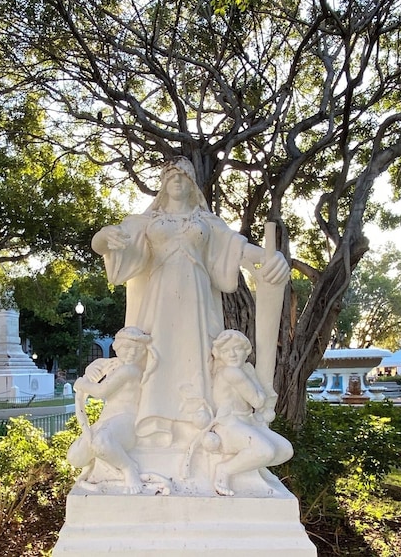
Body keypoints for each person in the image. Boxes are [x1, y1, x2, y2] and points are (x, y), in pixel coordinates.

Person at [91, 157, 288, 447]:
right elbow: (105, 244)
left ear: (192, 183)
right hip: (158, 301)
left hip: (197, 300)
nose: (178, 181)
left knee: (197, 354)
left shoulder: (206, 222)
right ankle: (155, 425)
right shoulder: (148, 221)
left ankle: (200, 424)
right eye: (171, 176)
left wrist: (271, 259)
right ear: (163, 184)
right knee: (159, 356)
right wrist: (103, 237)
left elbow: (237, 247)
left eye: (184, 176)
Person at [67, 326, 155, 493]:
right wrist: (90, 368)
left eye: (137, 350)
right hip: (107, 421)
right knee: (75, 457)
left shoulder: (130, 370)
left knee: (100, 441)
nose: (131, 354)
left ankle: (128, 468)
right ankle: (102, 463)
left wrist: (81, 383)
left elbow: (101, 391)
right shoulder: (116, 365)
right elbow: (101, 368)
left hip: (127, 422)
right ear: (117, 349)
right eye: (127, 349)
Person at [204, 330, 293, 496]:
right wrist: (252, 375)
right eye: (225, 350)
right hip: (229, 426)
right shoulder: (232, 372)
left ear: (246, 351)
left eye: (237, 348)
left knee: (285, 450)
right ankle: (224, 470)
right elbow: (258, 401)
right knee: (265, 451)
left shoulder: (240, 370)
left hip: (246, 422)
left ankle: (255, 467)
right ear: (219, 354)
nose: (231, 354)